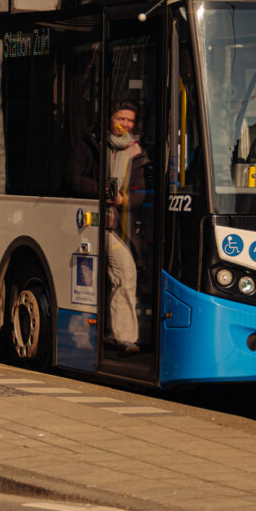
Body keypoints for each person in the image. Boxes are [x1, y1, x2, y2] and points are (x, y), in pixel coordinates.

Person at [66, 101, 149, 355]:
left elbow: (140, 192)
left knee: (125, 273)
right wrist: (98, 190)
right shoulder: (89, 143)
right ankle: (83, 336)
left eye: (130, 120)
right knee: (84, 282)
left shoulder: (135, 152)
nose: (125, 124)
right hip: (86, 225)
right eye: (120, 118)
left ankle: (123, 338)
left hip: (116, 227)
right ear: (109, 119)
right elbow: (71, 178)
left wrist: (125, 199)